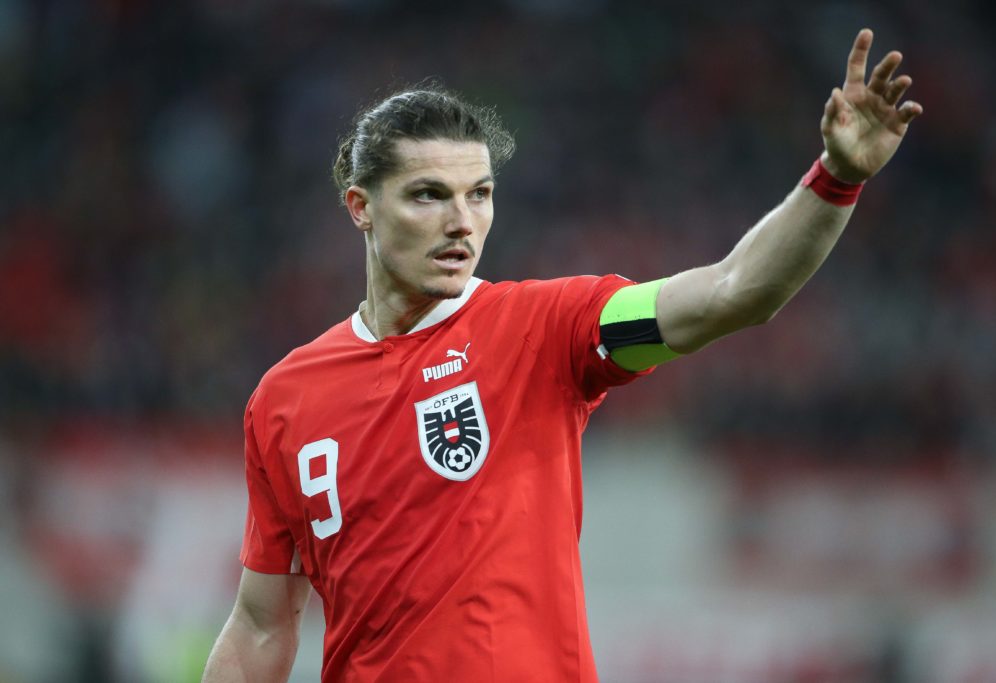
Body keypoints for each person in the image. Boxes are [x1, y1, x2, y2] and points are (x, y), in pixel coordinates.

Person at [202, 28, 922, 682]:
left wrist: (836, 178)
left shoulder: (547, 328)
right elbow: (264, 621)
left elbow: (732, 293)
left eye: (479, 194)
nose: (462, 222)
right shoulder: (284, 399)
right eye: (429, 195)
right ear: (361, 206)